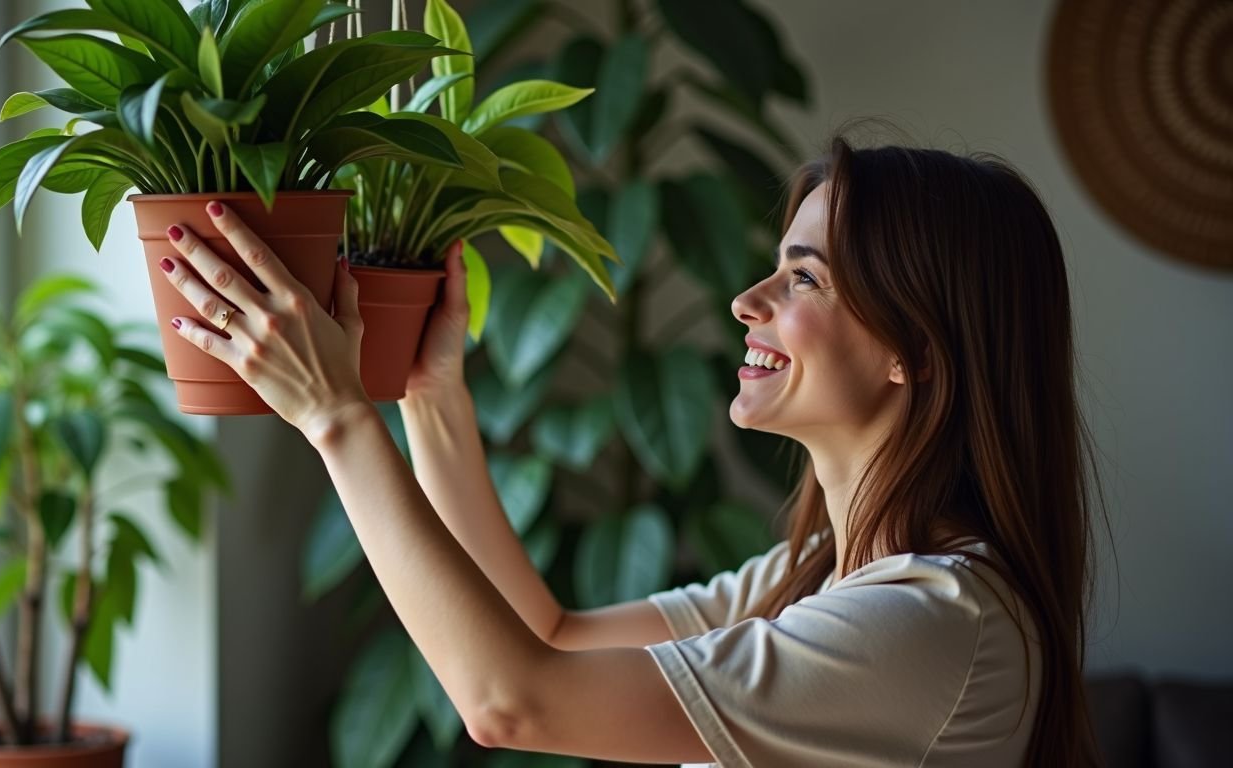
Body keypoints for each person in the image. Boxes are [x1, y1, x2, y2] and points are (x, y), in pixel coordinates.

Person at [154, 134, 1103, 766]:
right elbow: (547, 635)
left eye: (804, 278)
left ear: (918, 350)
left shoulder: (930, 623)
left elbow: (513, 702)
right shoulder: (816, 580)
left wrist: (337, 418)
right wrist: (428, 395)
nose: (748, 301)